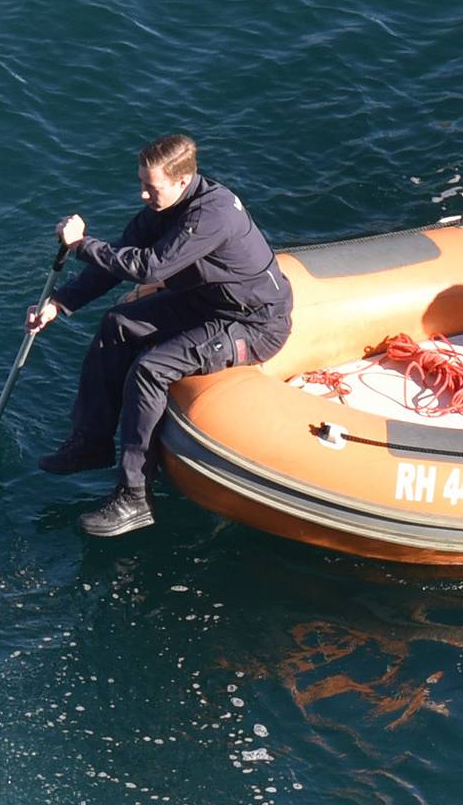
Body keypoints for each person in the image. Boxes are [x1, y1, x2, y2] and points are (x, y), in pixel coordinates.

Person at [30, 133, 293, 536]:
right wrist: (60, 303)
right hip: (207, 304)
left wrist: (82, 245)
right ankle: (91, 442)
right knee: (117, 324)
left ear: (183, 180)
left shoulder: (212, 214)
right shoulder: (163, 207)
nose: (142, 194)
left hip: (254, 324)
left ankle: (135, 496)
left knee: (150, 369)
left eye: (151, 187)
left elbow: (150, 268)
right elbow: (119, 256)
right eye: (142, 184)